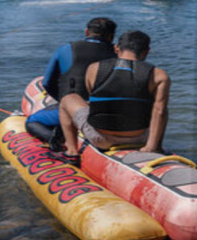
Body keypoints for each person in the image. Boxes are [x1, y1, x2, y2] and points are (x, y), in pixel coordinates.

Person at [56, 30, 170, 164]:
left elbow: (93, 99)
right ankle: (154, 147)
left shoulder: (94, 68)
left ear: (116, 48)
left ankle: (71, 152)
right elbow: (159, 112)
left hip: (101, 138)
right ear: (146, 51)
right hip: (139, 138)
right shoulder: (160, 75)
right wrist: (150, 147)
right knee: (161, 108)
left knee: (68, 99)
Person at [25, 17, 117, 150]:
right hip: (109, 111)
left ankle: (58, 142)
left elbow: (47, 83)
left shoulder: (66, 49)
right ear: (111, 36)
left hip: (76, 109)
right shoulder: (119, 54)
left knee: (32, 121)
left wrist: (66, 104)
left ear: (86, 32)